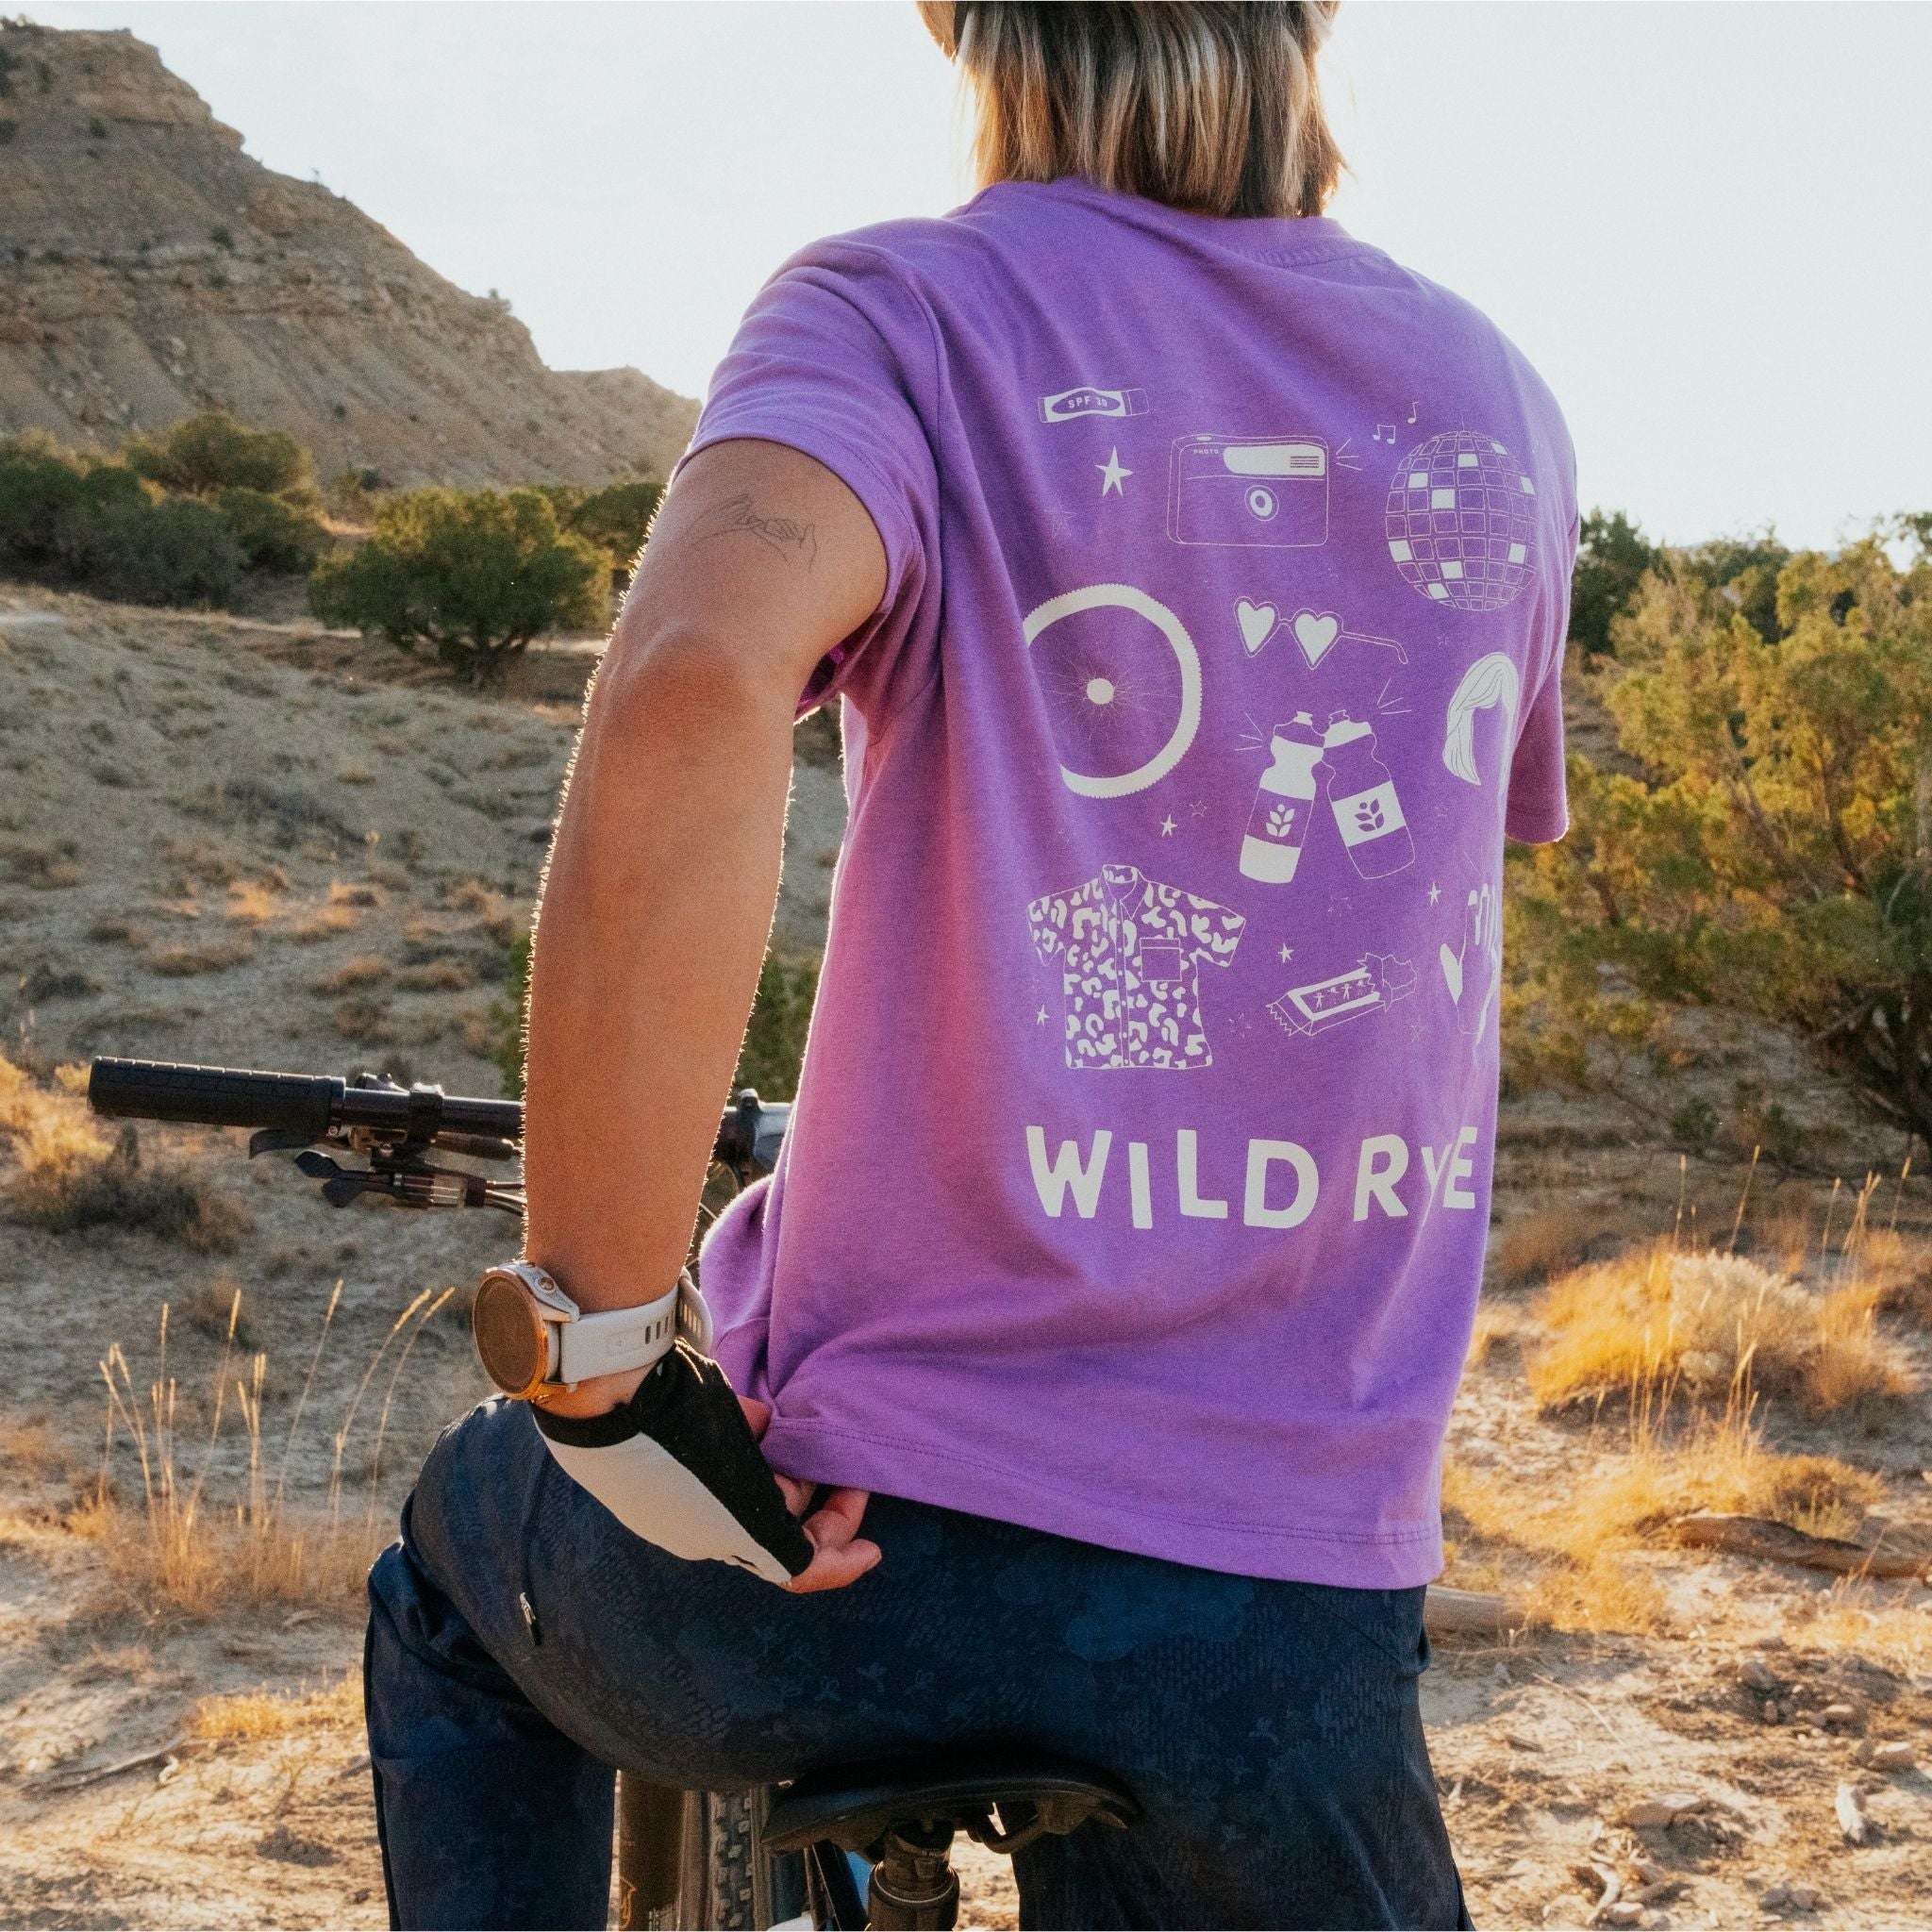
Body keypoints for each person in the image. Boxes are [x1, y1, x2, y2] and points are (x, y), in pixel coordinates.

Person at [365, 2, 1575, 1924]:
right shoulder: (1493, 400)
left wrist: (598, 1354)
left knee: (448, 1590)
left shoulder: (899, 314)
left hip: (865, 1557)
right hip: (1298, 1603)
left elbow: (691, 682)